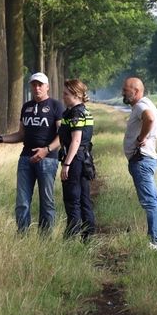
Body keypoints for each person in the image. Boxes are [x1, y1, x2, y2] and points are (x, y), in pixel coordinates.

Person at [0, 72, 61, 234]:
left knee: (46, 201)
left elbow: (62, 136)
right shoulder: (26, 107)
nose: (37, 88)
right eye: (34, 84)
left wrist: (46, 150)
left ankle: (45, 239)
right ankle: (22, 236)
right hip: (25, 158)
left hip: (48, 159)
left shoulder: (56, 106)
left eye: (40, 84)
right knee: (22, 201)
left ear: (47, 87)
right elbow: (20, 134)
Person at [122, 76, 157, 250]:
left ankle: (155, 242)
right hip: (147, 158)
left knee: (150, 202)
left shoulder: (141, 106)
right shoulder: (149, 103)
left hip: (141, 160)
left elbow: (150, 119)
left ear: (137, 91)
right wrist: (153, 139)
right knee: (155, 201)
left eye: (126, 90)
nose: (122, 92)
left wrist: (142, 138)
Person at [52, 79, 95, 239]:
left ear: (76, 94)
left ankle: (71, 237)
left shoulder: (75, 113)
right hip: (85, 158)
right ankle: (88, 235)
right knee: (84, 198)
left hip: (75, 159)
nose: (63, 96)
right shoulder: (85, 111)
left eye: (66, 94)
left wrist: (66, 164)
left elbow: (76, 140)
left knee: (72, 199)